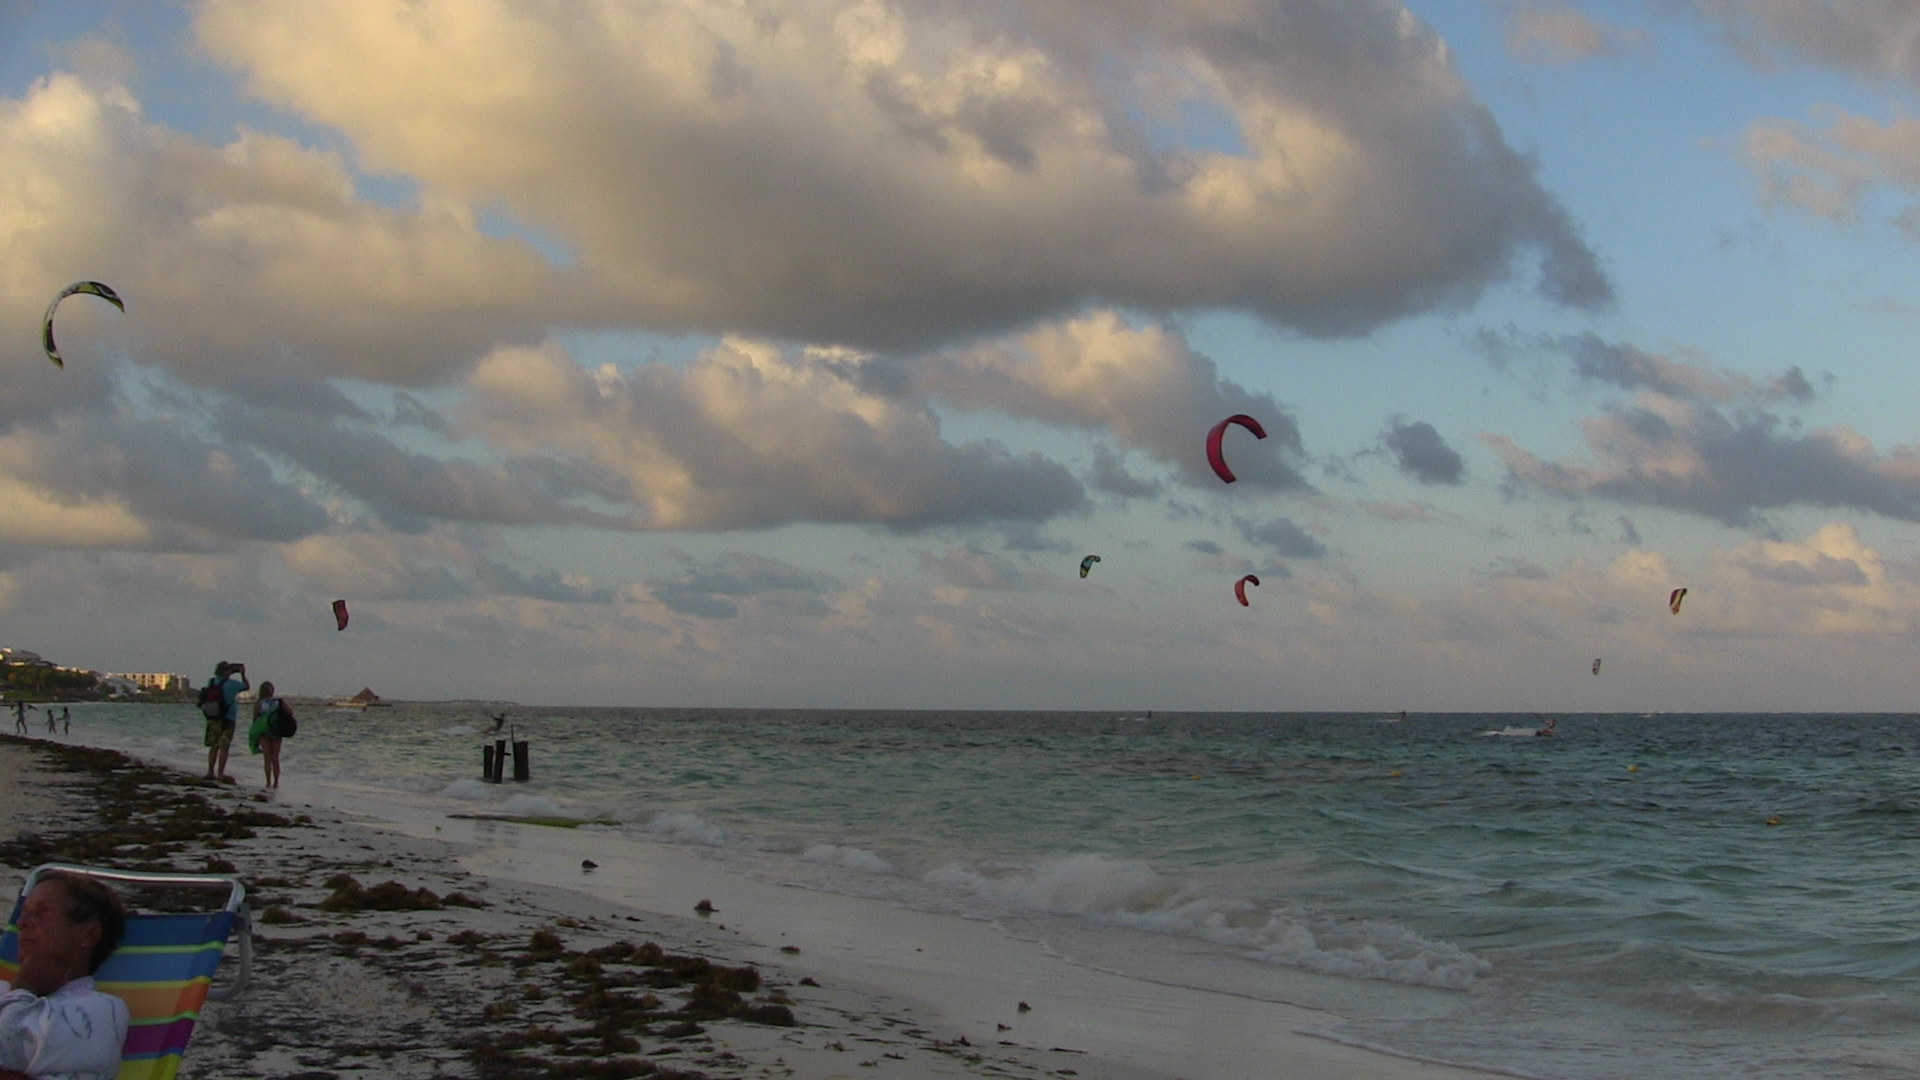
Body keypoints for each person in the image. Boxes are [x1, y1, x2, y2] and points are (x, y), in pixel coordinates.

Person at [0, 871, 129, 1080]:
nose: (22, 922)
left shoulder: (102, 1011)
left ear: (88, 935)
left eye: (42, 911)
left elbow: (9, 1050)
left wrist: (24, 989)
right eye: (24, 912)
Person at [204, 662, 247, 782]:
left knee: (213, 746)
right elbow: (246, 686)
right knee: (224, 747)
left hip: (213, 717)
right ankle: (220, 773)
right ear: (226, 671)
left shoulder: (211, 682)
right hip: (228, 718)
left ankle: (210, 772)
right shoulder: (232, 684)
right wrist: (242, 674)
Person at [249, 681, 287, 789]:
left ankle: (268, 781)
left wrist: (254, 736)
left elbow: (255, 720)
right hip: (276, 732)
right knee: (275, 758)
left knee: (267, 758)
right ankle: (276, 783)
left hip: (264, 732)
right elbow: (290, 712)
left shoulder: (259, 703)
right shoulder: (278, 702)